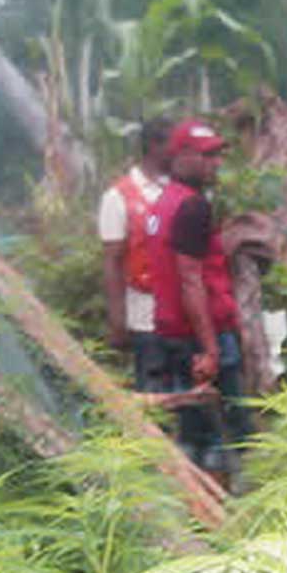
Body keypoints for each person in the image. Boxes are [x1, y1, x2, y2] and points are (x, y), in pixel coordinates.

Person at [148, 119, 248, 473]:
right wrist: (210, 349)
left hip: (173, 335)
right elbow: (191, 281)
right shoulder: (192, 207)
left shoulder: (164, 202)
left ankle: (197, 513)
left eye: (218, 155)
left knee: (192, 431)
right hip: (200, 338)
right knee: (223, 436)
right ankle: (221, 513)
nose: (215, 163)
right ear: (183, 155)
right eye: (207, 156)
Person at [98, 116, 172, 390]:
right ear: (155, 146)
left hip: (184, 318)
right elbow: (113, 261)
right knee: (154, 396)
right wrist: (118, 320)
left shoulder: (179, 189)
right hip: (145, 319)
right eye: (174, 145)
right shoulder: (118, 197)